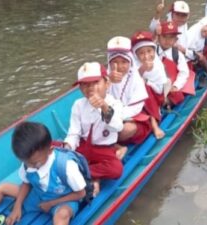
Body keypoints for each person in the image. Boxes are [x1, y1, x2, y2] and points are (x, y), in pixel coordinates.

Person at [0, 122, 86, 225]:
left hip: (63, 200)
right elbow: (26, 183)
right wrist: (17, 206)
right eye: (27, 163)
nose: (31, 167)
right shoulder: (29, 163)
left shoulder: (66, 166)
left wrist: (51, 203)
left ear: (50, 150)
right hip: (39, 196)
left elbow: (81, 194)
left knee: (62, 215)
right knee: (3, 187)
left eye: (35, 163)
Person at [63, 62, 124, 195]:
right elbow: (74, 133)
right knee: (54, 148)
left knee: (116, 169)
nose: (90, 88)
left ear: (107, 83)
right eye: (84, 84)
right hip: (84, 147)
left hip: (104, 150)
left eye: (95, 82)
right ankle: (88, 174)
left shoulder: (115, 104)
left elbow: (117, 127)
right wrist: (67, 149)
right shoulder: (78, 105)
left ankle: (79, 173)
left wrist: (103, 107)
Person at [107, 36, 152, 145]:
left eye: (124, 62)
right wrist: (109, 82)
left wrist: (116, 117)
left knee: (126, 130)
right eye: (115, 62)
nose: (120, 66)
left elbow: (136, 109)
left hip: (130, 117)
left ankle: (111, 143)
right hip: (106, 116)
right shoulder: (105, 78)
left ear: (130, 62)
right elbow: (100, 99)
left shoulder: (135, 79)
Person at [131, 31, 168, 139]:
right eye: (141, 53)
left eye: (149, 51)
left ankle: (154, 123)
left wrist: (148, 83)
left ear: (154, 50)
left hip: (156, 95)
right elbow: (132, 81)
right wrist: (142, 69)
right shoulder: (133, 65)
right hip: (138, 96)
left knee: (144, 87)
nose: (146, 56)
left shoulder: (158, 64)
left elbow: (161, 85)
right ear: (136, 55)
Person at [156, 21, 194, 107]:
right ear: (158, 37)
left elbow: (184, 73)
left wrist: (176, 86)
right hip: (155, 85)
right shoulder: (152, 52)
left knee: (178, 96)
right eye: (164, 37)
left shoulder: (177, 55)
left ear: (176, 40)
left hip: (171, 85)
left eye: (171, 38)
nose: (167, 40)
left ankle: (166, 103)